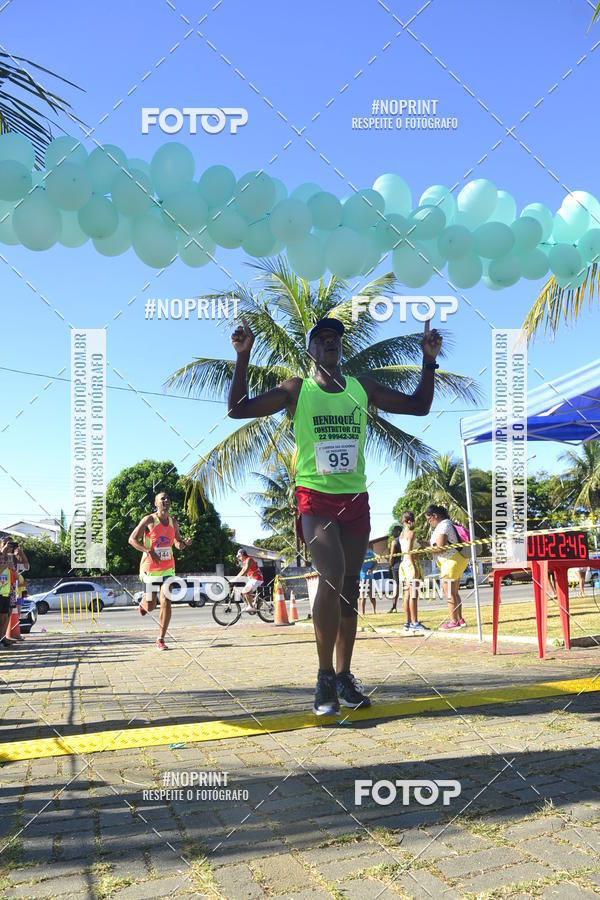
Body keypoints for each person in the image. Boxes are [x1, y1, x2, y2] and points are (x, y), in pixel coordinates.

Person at [228, 314, 442, 715]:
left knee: (348, 586)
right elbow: (238, 409)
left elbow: (420, 405)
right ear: (310, 351)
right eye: (321, 339)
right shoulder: (298, 389)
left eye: (335, 339)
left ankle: (344, 676)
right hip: (315, 498)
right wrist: (243, 356)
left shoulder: (363, 389)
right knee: (330, 573)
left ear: (341, 348)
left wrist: (428, 360)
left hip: (355, 500)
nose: (329, 343)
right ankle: (324, 678)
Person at [128, 492, 192, 650]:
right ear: (156, 503)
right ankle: (144, 604)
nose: (166, 500)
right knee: (151, 605)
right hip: (150, 567)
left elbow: (177, 543)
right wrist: (148, 550)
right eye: (162, 498)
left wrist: (185, 543)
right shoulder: (149, 520)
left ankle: (160, 639)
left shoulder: (173, 522)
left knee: (166, 600)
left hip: (168, 568)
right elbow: (132, 540)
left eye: (168, 498)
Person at [425, 505, 468, 630]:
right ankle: (460, 620)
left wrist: (425, 549)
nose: (429, 523)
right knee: (454, 593)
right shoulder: (448, 523)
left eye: (429, 519)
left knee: (449, 593)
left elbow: (441, 548)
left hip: (450, 562)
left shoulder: (443, 526)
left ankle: (453, 621)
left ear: (435, 516)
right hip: (456, 560)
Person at [398, 511, 429, 635]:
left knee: (407, 594)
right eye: (409, 520)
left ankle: (408, 622)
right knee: (413, 595)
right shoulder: (411, 533)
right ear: (404, 522)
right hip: (410, 564)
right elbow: (410, 552)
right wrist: (415, 569)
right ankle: (414, 622)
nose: (411, 522)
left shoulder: (401, 534)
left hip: (404, 564)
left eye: (412, 519)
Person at [388, 525, 402, 613]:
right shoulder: (405, 540)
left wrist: (390, 565)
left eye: (394, 531)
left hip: (396, 567)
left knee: (396, 586)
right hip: (404, 564)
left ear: (398, 532)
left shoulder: (394, 542)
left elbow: (391, 555)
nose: (392, 533)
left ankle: (394, 606)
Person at [359, 548, 377, 615]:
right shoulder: (359, 551)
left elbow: (375, 563)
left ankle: (374, 612)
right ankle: (362, 613)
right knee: (363, 596)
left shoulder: (370, 552)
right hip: (362, 577)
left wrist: (371, 569)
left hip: (371, 577)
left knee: (372, 596)